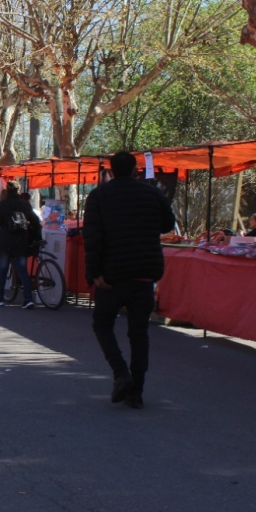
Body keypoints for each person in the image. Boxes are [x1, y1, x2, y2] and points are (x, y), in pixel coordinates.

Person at [84, 151, 176, 410]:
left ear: (111, 171)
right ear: (136, 169)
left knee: (102, 324)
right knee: (139, 333)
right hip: (144, 273)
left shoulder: (99, 196)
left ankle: (120, 372)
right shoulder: (152, 193)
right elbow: (168, 224)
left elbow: (92, 238)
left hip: (111, 275)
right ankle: (137, 392)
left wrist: (94, 273)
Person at [0, 181, 42, 309]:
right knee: (23, 270)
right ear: (18, 190)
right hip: (21, 240)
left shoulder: (3, 204)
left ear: (8, 190)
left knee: (3, 269)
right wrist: (34, 235)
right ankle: (28, 299)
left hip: (6, 240)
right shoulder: (25, 204)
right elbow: (35, 220)